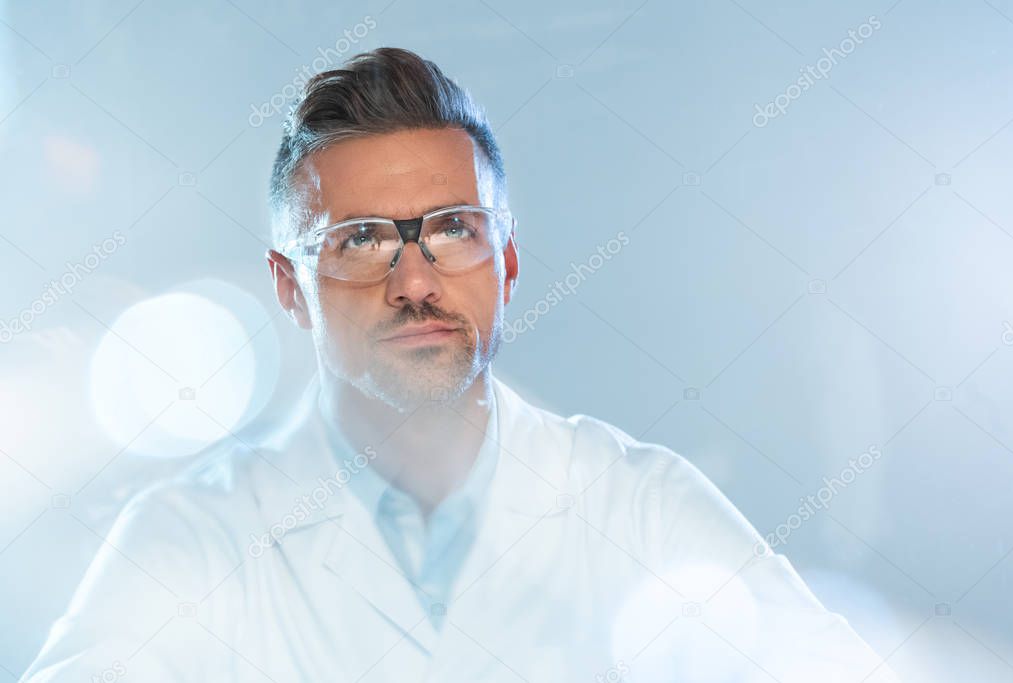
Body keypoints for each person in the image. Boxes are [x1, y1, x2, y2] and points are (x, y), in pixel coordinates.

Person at [21, 47, 901, 682]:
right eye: (359, 240)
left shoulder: (633, 502)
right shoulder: (189, 538)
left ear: (507, 264)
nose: (414, 281)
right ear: (289, 289)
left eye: (452, 230)